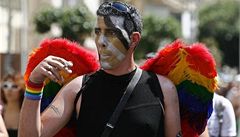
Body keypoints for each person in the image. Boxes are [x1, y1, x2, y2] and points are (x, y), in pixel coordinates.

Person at [19, 1, 181, 137]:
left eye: (111, 33)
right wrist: (34, 84)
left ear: (134, 39)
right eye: (98, 32)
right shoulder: (77, 88)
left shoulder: (163, 89)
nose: (101, 41)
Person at [1, 73, 25, 137]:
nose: (9, 90)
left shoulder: (27, 114)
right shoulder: (0, 112)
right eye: (6, 86)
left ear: (21, 90)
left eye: (14, 86)